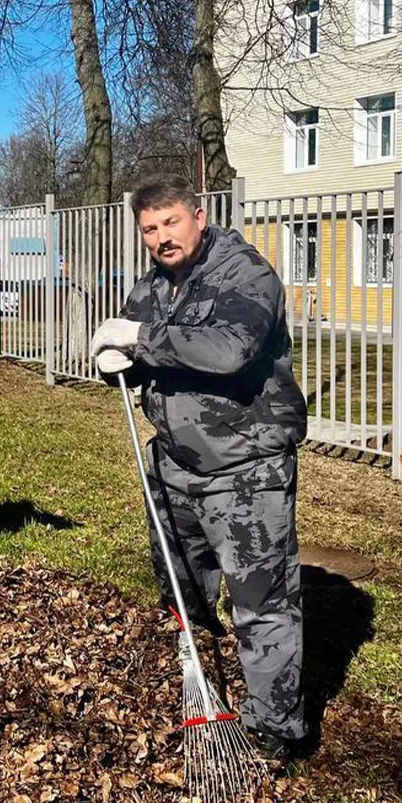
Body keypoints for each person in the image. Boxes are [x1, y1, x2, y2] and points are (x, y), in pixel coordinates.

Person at [90, 175, 309, 764]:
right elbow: (144, 357)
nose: (162, 238)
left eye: (170, 222)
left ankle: (276, 727)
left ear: (199, 215)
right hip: (175, 461)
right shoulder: (155, 287)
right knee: (180, 581)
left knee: (260, 597)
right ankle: (200, 667)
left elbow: (226, 351)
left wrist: (138, 336)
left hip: (245, 464)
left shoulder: (245, 274)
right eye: (149, 229)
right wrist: (118, 362)